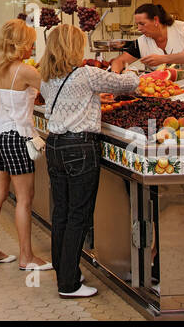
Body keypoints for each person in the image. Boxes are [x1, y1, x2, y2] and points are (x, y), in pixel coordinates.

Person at [40, 23, 140, 298]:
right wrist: (128, 68)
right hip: (81, 148)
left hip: (56, 145)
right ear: (74, 47)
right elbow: (129, 83)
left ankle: (65, 272)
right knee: (79, 216)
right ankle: (69, 284)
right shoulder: (86, 74)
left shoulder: (46, 76)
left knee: (61, 213)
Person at [0, 18, 49, 270]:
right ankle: (27, 257)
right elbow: (52, 90)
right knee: (24, 199)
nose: (32, 47)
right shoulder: (25, 71)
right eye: (31, 42)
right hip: (17, 137)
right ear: (21, 43)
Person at [108, 3, 184, 74]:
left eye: (142, 24)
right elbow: (119, 61)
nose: (139, 28)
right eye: (137, 24)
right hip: (162, 91)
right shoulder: (141, 42)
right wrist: (114, 75)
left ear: (156, 20)